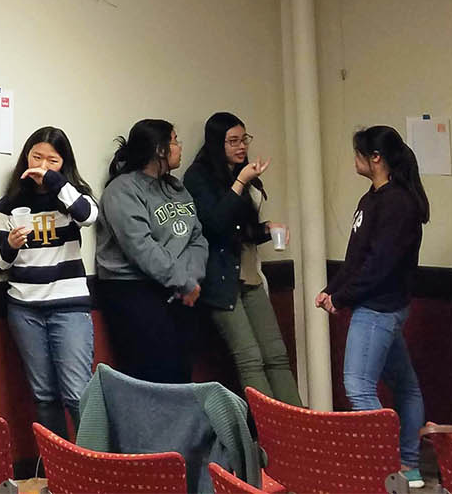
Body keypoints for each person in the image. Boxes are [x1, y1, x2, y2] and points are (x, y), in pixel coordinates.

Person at [317, 125, 429, 488]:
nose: (355, 159)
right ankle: (408, 466)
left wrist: (343, 298)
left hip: (380, 308)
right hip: (376, 306)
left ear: (375, 158)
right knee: (405, 386)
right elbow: (356, 258)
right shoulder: (372, 198)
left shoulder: (398, 202)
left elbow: (381, 265)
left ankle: (387, 471)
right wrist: (331, 290)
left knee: (358, 387)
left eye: (359, 153)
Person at [185, 112, 302, 406]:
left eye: (244, 139)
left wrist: (266, 229)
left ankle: (298, 423)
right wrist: (240, 182)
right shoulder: (199, 176)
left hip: (250, 273)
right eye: (232, 141)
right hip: (221, 280)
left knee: (276, 354)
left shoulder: (244, 174)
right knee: (250, 358)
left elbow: (241, 228)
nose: (241, 147)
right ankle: (270, 432)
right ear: (216, 143)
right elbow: (215, 224)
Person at [0, 126, 98, 441]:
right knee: (44, 395)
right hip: (25, 308)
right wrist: (10, 245)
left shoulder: (72, 195)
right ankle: (58, 470)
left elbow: (89, 216)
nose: (42, 165)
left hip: (69, 306)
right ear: (25, 157)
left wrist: (55, 182)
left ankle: (93, 468)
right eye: (36, 157)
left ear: (64, 164)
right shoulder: (9, 204)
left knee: (78, 393)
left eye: (53, 160)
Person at [93, 119, 207, 384]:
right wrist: (183, 281)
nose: (180, 147)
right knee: (153, 378)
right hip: (133, 292)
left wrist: (190, 280)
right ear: (159, 149)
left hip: (180, 292)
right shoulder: (121, 190)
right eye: (175, 140)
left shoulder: (177, 188)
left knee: (182, 374)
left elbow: (197, 238)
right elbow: (140, 247)